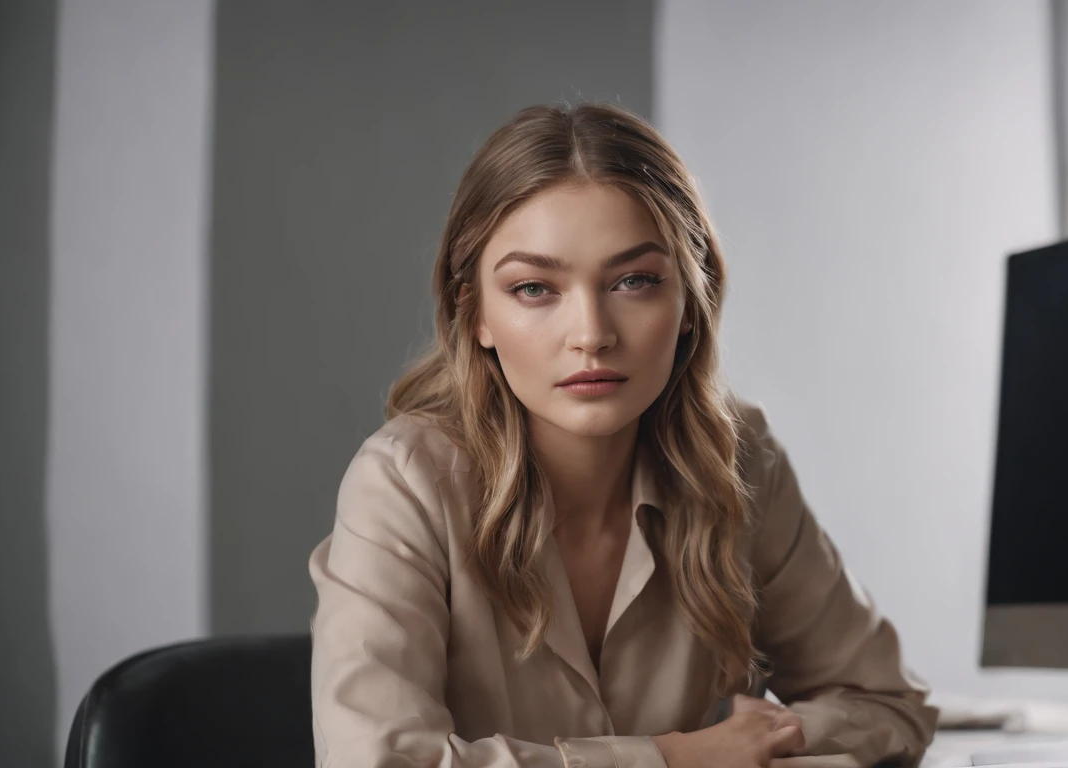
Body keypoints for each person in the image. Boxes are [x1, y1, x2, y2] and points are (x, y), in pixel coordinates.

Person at [307, 101, 938, 768]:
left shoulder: (739, 458)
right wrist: (674, 758)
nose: (591, 334)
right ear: (475, 316)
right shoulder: (403, 482)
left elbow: (888, 703)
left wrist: (765, 743)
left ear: (690, 303)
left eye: (635, 281)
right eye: (533, 289)